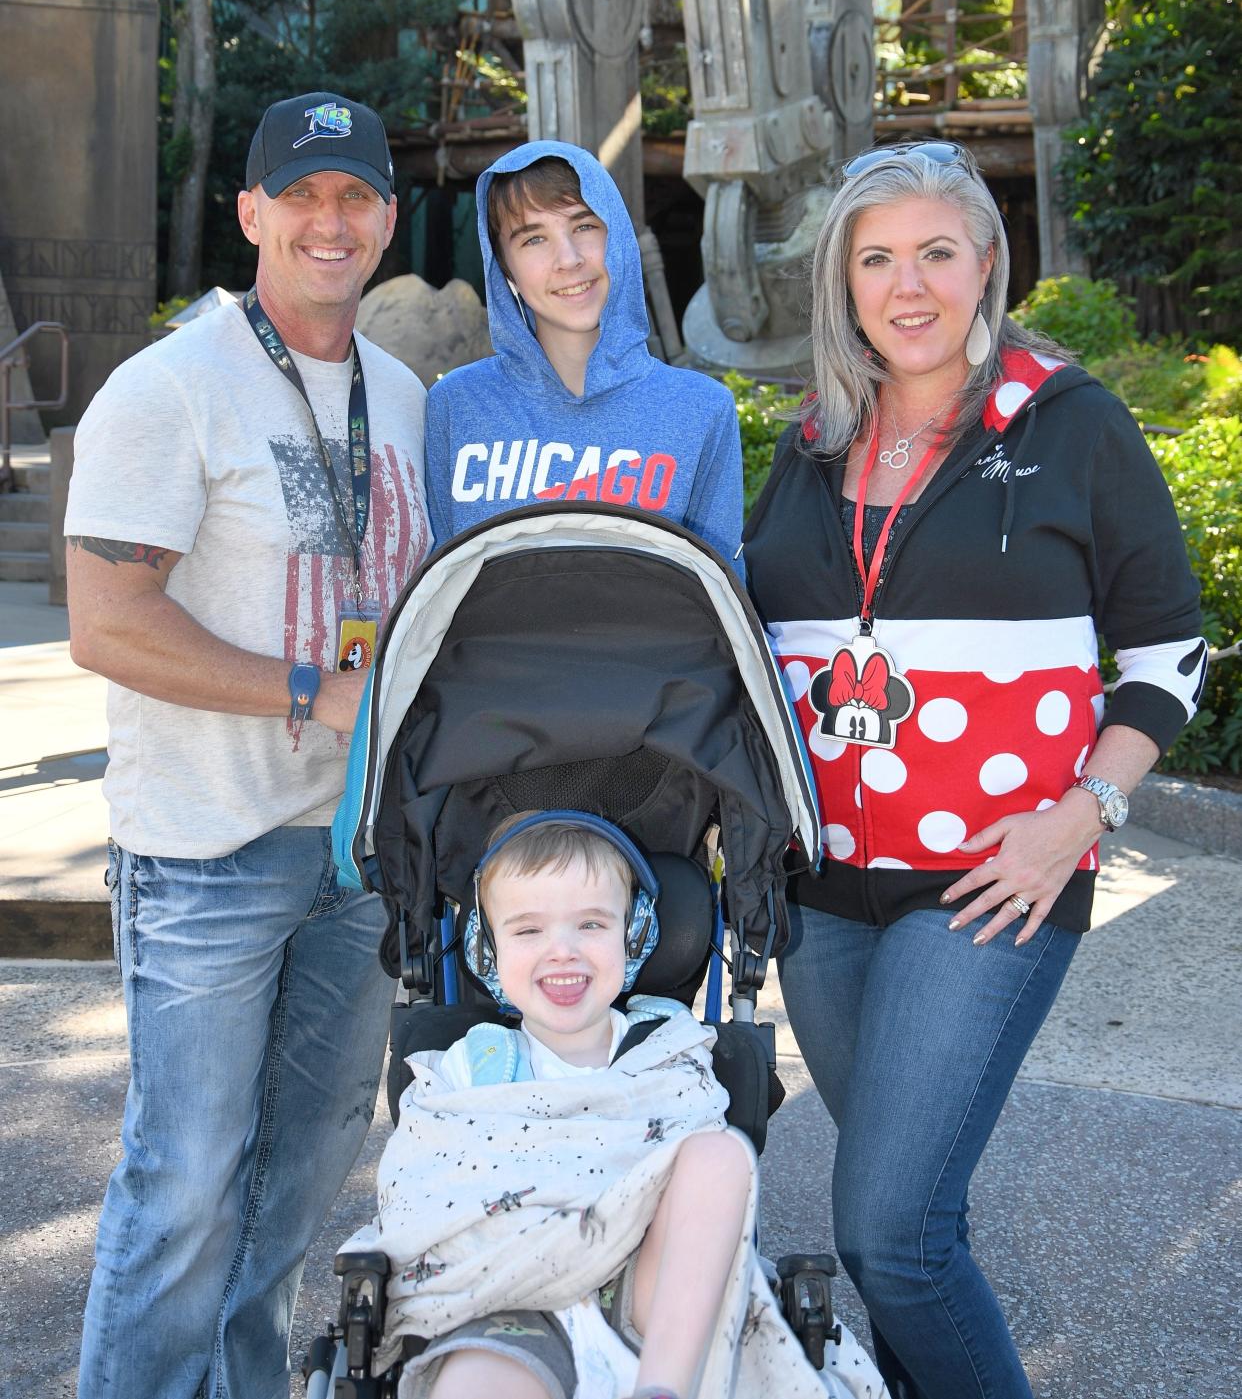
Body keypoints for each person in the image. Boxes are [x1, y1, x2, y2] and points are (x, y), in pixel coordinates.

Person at [741, 140, 1206, 1399]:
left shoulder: (1071, 421)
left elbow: (1171, 649)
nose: (907, 285)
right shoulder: (811, 439)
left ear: (987, 261)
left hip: (994, 881)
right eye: (875, 256)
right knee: (912, 1225)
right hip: (823, 897)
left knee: (888, 1228)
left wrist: (1084, 813)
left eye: (935, 252)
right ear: (843, 281)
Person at [65, 91, 432, 1399]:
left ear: (387, 218)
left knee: (294, 1187)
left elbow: (389, 606)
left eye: (355, 198)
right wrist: (304, 687)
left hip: (351, 858)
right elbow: (107, 625)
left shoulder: (399, 395)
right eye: (303, 196)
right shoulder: (168, 387)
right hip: (206, 855)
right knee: (184, 1188)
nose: (329, 222)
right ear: (251, 214)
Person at [347, 812, 884, 1399]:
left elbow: (697, 1199)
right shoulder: (469, 1065)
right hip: (507, 1292)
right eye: (528, 931)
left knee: (719, 1156)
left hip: (649, 1299)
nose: (563, 952)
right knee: (474, 1383)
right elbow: (418, 1186)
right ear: (485, 947)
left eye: (591, 924)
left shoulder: (668, 1048)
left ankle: (663, 1391)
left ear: (636, 935)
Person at [424, 141, 744, 572]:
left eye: (585, 226)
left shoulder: (700, 410)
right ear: (505, 272)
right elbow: (437, 592)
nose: (569, 260)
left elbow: (723, 599)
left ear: (619, 236)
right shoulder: (457, 406)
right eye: (534, 238)